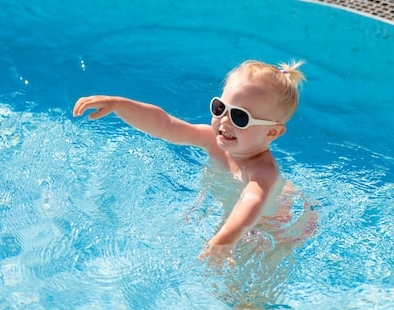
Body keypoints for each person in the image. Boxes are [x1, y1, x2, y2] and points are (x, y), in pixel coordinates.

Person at [73, 60, 310, 265]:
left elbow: (252, 200)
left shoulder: (262, 169)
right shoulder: (212, 141)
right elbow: (166, 125)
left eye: (240, 116)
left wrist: (226, 238)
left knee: (253, 294)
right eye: (220, 108)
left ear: (272, 133)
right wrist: (120, 105)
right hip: (232, 218)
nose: (224, 120)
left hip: (271, 228)